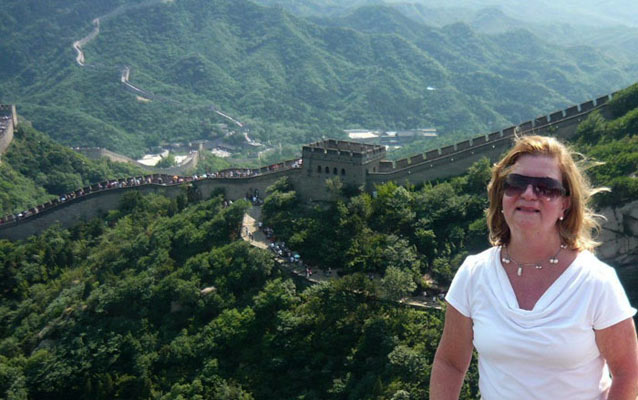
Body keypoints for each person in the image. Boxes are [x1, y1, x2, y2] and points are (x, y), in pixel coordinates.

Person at [430, 135, 638, 399]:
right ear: (501, 195)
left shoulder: (596, 282)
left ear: (565, 203)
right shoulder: (474, 274)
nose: (528, 194)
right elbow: (450, 363)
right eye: (516, 184)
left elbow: (627, 372)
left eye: (546, 187)